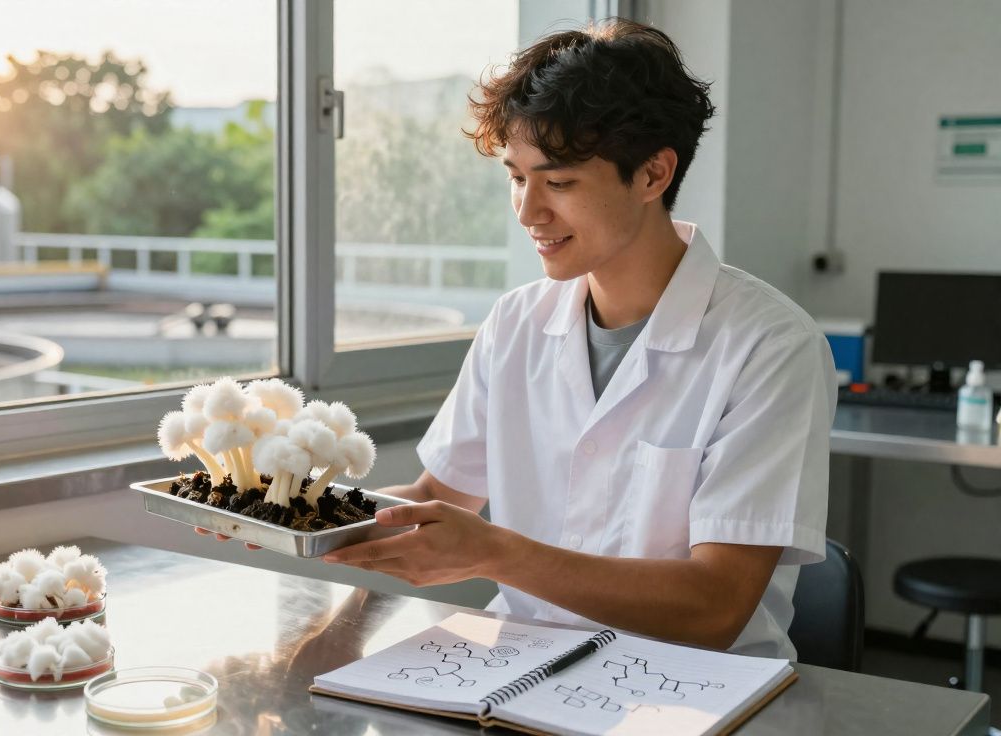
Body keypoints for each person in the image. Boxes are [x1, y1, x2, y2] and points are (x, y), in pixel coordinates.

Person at [209, 18, 836, 660]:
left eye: (558, 182)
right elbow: (433, 499)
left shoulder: (769, 346)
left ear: (653, 175)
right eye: (516, 177)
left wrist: (494, 552)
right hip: (521, 672)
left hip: (695, 689)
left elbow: (716, 607)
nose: (529, 211)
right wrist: (288, 508)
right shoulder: (517, 322)